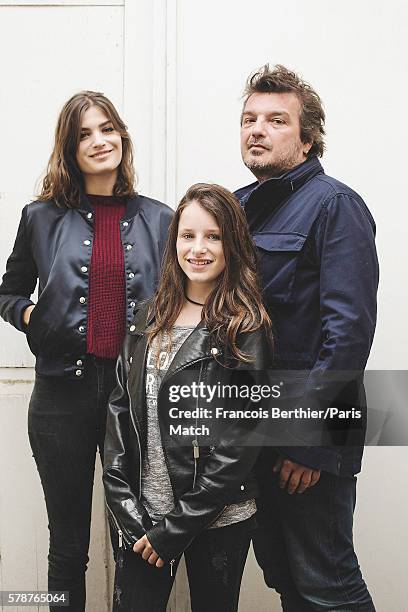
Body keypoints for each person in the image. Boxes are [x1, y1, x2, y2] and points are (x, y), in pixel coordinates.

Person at [0, 91, 173, 611]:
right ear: (69, 149)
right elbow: (8, 292)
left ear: (122, 135)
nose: (99, 141)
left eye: (107, 129)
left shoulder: (162, 219)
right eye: (84, 134)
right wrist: (32, 317)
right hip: (60, 397)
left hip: (135, 400)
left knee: (136, 537)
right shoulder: (40, 217)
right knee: (68, 544)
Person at [235, 65, 379, 611]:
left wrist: (308, 443)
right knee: (286, 577)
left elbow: (348, 334)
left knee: (327, 581)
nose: (258, 130)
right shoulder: (238, 207)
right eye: (249, 119)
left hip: (308, 437)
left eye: (276, 120)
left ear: (308, 136)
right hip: (256, 429)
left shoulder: (334, 205)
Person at [103, 183, 273, 612]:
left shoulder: (245, 327)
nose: (198, 248)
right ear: (174, 240)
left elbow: (241, 440)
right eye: (188, 235)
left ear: (231, 245)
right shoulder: (149, 314)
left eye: (213, 236)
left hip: (218, 518)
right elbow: (121, 409)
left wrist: (177, 527)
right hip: (143, 514)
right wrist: (124, 503)